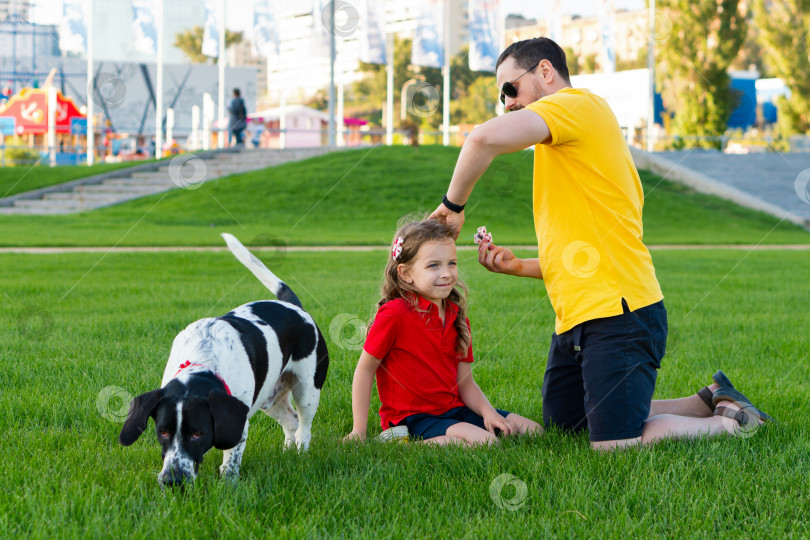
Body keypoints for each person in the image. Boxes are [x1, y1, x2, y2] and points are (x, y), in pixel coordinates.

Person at [429, 37, 772, 451]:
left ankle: (730, 424)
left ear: (544, 71)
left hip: (620, 313)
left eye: (509, 89)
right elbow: (579, 249)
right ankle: (708, 399)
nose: (507, 103)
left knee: (612, 444)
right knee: (569, 425)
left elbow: (481, 140)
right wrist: (518, 265)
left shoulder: (578, 106)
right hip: (578, 319)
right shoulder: (566, 143)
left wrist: (452, 207)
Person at [343, 218, 542, 446]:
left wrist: (489, 413)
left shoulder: (456, 315)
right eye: (433, 265)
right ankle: (398, 443)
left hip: (454, 409)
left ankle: (455, 433)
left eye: (452, 263)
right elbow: (365, 369)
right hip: (411, 418)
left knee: (533, 430)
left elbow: (465, 382)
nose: (446, 273)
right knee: (486, 442)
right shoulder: (395, 313)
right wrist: (358, 430)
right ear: (406, 273)